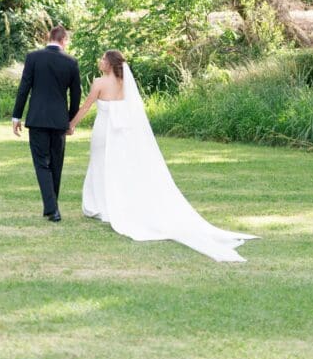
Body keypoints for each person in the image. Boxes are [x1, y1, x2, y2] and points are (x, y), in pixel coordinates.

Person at [70, 49, 258, 262]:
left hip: (104, 131)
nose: (100, 61)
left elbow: (85, 107)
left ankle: (100, 206)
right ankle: (111, 203)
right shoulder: (125, 84)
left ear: (110, 64)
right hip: (121, 134)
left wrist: (71, 125)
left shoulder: (99, 83)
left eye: (103, 59)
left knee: (99, 165)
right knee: (116, 167)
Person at [12, 25, 82, 222]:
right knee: (56, 165)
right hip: (59, 121)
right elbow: (76, 94)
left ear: (48, 37)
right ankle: (53, 208)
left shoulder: (33, 58)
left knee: (42, 164)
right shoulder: (71, 62)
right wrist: (71, 120)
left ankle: (52, 209)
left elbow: (24, 87)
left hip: (38, 119)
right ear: (64, 40)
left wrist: (16, 116)